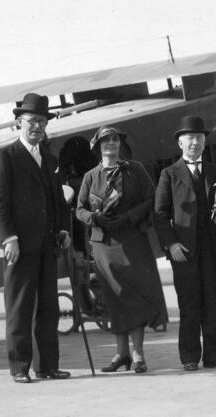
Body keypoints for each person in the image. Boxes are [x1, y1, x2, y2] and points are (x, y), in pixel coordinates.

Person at [0, 92, 72, 384]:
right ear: (18, 124)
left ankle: (47, 366)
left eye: (42, 122)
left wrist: (63, 229)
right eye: (31, 121)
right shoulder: (4, 157)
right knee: (20, 309)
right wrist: (8, 238)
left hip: (48, 246)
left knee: (48, 309)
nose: (37, 127)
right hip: (19, 247)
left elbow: (57, 201)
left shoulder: (48, 159)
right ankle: (19, 367)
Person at [75, 126, 168, 373]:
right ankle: (121, 354)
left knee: (134, 295)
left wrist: (129, 217)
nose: (111, 143)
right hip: (103, 243)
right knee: (114, 297)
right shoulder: (90, 176)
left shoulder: (135, 170)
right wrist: (94, 218)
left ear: (120, 144)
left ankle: (137, 355)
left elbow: (151, 198)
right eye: (106, 140)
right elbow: (79, 209)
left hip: (132, 240)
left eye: (115, 139)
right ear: (98, 146)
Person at [153, 115, 216, 371]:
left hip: (212, 249)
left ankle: (215, 356)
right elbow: (159, 215)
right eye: (190, 138)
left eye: (199, 138)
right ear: (180, 143)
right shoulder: (169, 174)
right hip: (183, 252)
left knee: (213, 304)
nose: (195, 143)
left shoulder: (214, 171)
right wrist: (171, 245)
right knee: (189, 305)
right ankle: (189, 357)